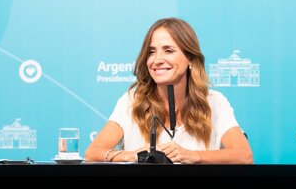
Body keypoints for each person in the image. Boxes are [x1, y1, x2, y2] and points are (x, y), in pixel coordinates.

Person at [85, 17, 253, 164]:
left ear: (191, 59)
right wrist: (132, 155)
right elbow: (93, 153)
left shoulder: (214, 102)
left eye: (168, 50)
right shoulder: (133, 100)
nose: (157, 60)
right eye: (151, 52)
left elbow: (244, 156)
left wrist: (193, 156)